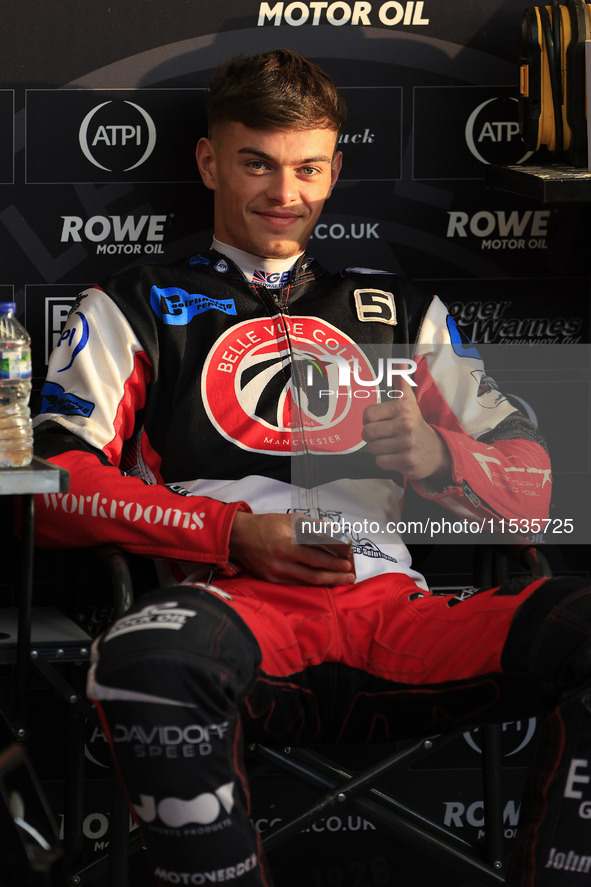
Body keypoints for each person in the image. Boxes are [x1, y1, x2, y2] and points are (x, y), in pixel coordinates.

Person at [33, 49, 590, 887]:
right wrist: (232, 532)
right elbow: (44, 487)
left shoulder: (400, 308)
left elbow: (539, 491)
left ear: (335, 170)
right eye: (256, 163)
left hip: (397, 619)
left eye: (307, 168)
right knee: (145, 662)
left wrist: (445, 457)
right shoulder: (133, 302)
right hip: (229, 620)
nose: (283, 194)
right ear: (209, 161)